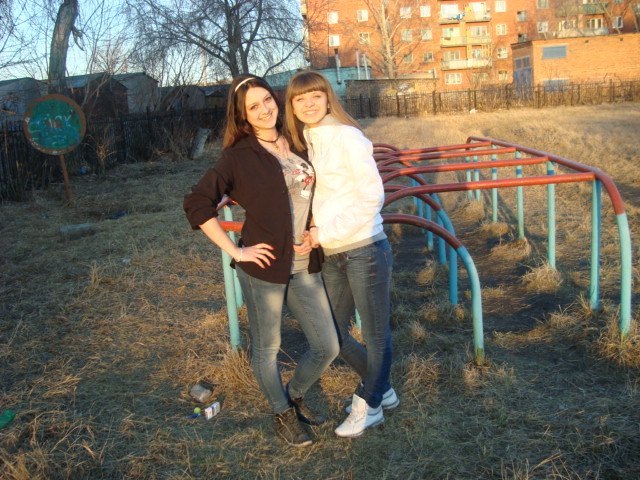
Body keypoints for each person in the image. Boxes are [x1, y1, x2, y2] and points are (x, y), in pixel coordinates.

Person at [183, 75, 339, 447]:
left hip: (302, 261)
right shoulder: (238, 157)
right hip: (263, 267)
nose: (264, 109)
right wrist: (236, 251)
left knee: (327, 345)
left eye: (267, 99)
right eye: (253, 106)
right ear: (243, 116)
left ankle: (294, 395)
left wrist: (314, 227)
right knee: (267, 348)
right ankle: (281, 413)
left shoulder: (296, 140)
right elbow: (197, 203)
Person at [284, 71, 398, 438]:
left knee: (376, 335)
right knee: (331, 332)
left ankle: (370, 403)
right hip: (332, 253)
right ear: (292, 106)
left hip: (364, 247)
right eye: (300, 99)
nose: (309, 104)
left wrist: (324, 232)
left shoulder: (347, 136)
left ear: (328, 98)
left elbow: (372, 196)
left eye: (316, 96)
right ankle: (382, 387)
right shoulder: (308, 140)